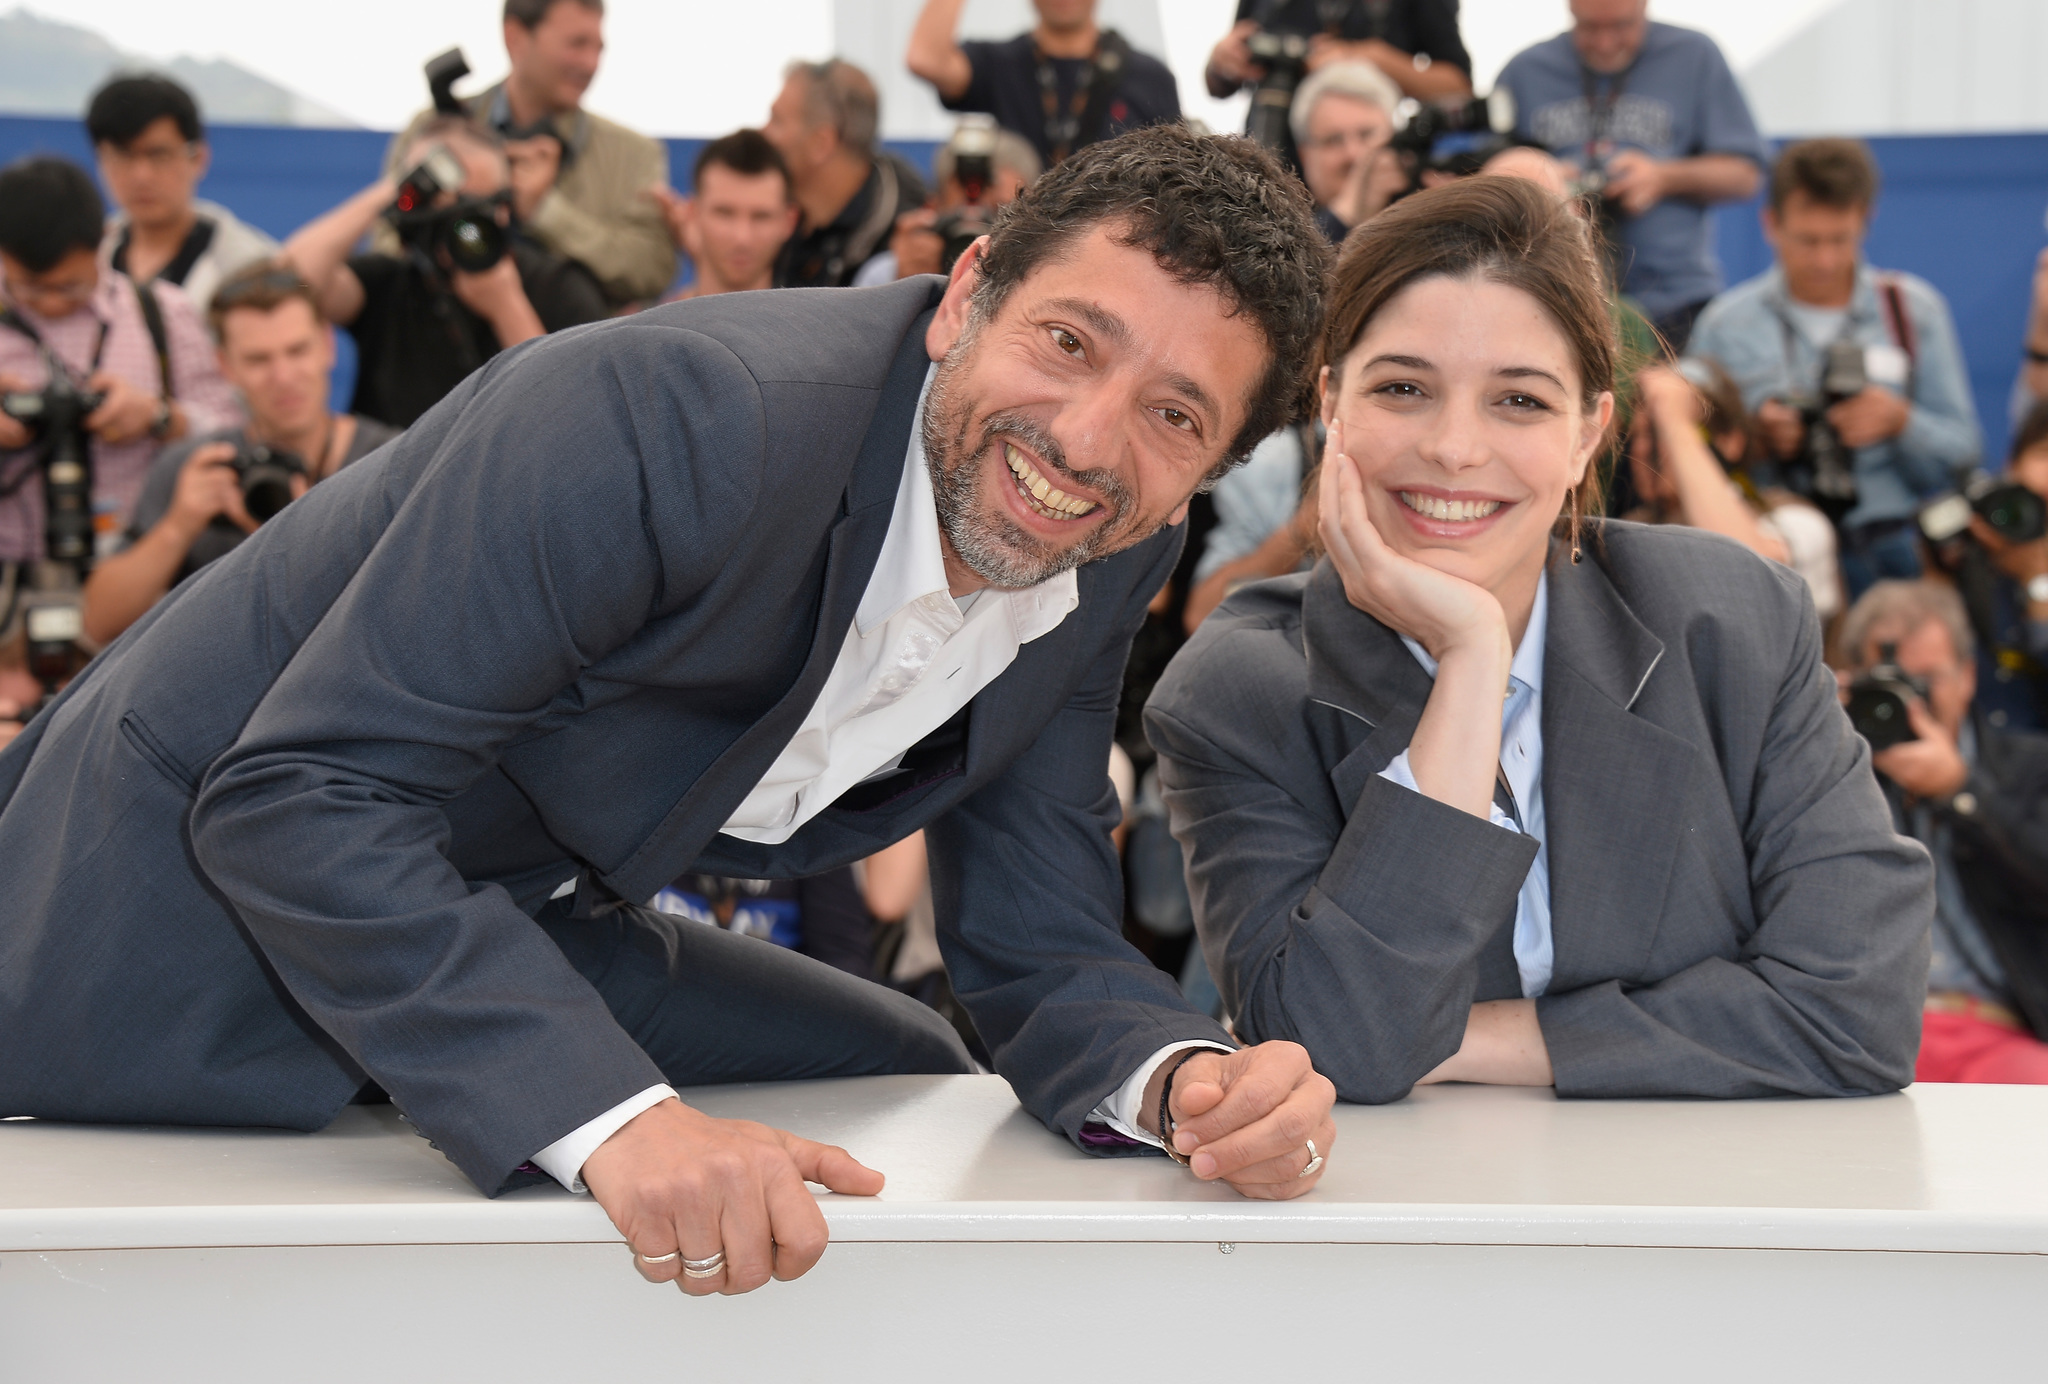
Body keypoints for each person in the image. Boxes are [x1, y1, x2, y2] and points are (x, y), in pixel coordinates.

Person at [0, 128, 1340, 1299]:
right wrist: (616, 1121)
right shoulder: (673, 412)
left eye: (1176, 415)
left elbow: (1038, 925)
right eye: (1067, 341)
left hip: (508, 902)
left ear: (1216, 469)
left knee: (894, 1061)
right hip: (168, 911)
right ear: (966, 294)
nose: (1091, 441)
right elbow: (302, 796)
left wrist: (1183, 1085)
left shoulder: (1112, 543)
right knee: (636, 1127)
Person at [1147, 176, 1931, 1106]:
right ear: (1331, 406)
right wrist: (1474, 660)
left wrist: (1458, 1041)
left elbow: (1858, 1015)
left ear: (1587, 435)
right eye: (1403, 388)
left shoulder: (1734, 620)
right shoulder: (1239, 690)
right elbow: (1345, 1042)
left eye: (1519, 402)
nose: (1455, 447)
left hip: (1707, 1207)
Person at [1689, 139, 1981, 598]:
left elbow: (1963, 453)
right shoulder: (1726, 324)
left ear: (1865, 221)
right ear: (1771, 225)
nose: (1824, 260)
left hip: (1890, 549)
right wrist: (1757, 438)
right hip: (1773, 552)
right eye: (1807, 240)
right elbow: (1688, 455)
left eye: (1840, 239)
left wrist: (1899, 421)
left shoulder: (1913, 312)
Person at [81, 265, 401, 646]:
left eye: (297, 350)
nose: (283, 376)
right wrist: (178, 527)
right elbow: (98, 624)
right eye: (258, 360)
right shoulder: (196, 467)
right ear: (225, 366)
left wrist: (303, 537)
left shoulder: (391, 462)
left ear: (327, 347)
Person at [1839, 580, 2048, 1084]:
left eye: (1926, 682)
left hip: (2002, 1031)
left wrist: (1961, 793)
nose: (1911, 706)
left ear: (1969, 676)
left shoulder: (2031, 767)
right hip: (1869, 1037)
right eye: (1891, 686)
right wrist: (1824, 736)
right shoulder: (1836, 777)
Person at [287, 119, 609, 428]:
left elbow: (574, 419)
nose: (458, 229)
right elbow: (294, 281)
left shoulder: (557, 287)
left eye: (473, 210)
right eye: (439, 211)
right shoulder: (389, 284)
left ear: (503, 209)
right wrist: (398, 187)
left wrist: (507, 307)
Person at [0, 156, 238, 565]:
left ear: (104, 240)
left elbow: (232, 433)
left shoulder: (163, 313)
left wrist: (160, 418)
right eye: (32, 289)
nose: (53, 303)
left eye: (71, 286)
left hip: (136, 571)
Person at [1495, 0, 1766, 351]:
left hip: (1676, 303)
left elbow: (1746, 174)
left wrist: (1664, 177)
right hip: (1558, 303)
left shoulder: (1694, 56)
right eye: (1589, 27)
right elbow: (1484, 175)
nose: (1605, 43)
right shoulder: (1527, 70)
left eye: (1622, 26)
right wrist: (1543, 181)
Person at [382, 0, 674, 309]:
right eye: (577, 44)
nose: (590, 63)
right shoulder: (429, 131)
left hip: (576, 350)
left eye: (599, 48)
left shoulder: (634, 154)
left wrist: (544, 211)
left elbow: (651, 271)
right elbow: (386, 242)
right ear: (515, 38)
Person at [1627, 357, 1842, 621]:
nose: (1642, 450)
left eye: (1658, 434)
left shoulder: (1799, 521)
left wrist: (1674, 422)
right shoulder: (1626, 535)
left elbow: (1747, 575)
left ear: (1730, 442)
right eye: (1636, 435)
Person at [87, 74, 280, 317]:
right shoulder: (85, 257)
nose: (141, 175)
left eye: (159, 155)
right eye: (123, 155)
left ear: (198, 158)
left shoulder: (253, 264)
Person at [906, 0, 1180, 170]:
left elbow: (1175, 174)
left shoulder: (1150, 76)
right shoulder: (1000, 62)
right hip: (1019, 233)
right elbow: (925, 59)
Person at [1207, 0, 1472, 171]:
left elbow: (1458, 87)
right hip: (1266, 156)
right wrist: (1222, 61)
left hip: (1361, 167)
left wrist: (1370, 58)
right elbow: (1217, 86)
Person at [1925, 401, 2048, 734]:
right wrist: (1943, 568)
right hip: (1972, 751)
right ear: (2013, 463)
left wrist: (2037, 580)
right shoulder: (1975, 530)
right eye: (2043, 453)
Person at [765, 60, 928, 289]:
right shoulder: (770, 218)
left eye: (776, 121)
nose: (763, 134)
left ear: (821, 143)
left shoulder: (912, 246)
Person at [857, 122, 1041, 285]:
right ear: (933, 207)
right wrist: (905, 287)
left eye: (999, 213)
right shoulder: (884, 276)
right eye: (964, 211)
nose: (978, 231)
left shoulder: (1044, 274)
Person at [652, 131, 800, 302]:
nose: (742, 238)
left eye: (761, 217)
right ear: (693, 213)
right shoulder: (641, 326)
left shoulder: (818, 327)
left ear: (790, 221)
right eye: (724, 213)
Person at [1289, 61, 1407, 243]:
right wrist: (1347, 212)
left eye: (1367, 134)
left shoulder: (1429, 206)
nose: (1354, 154)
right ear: (1305, 156)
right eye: (1334, 140)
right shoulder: (1280, 234)